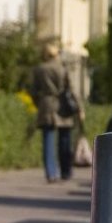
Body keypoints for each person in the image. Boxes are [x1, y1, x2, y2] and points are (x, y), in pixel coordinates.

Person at [31, 39, 82, 182]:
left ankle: (51, 172)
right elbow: (72, 90)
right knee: (65, 140)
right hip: (62, 105)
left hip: (46, 104)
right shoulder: (63, 69)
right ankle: (66, 171)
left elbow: (34, 91)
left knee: (48, 140)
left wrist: (38, 103)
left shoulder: (40, 69)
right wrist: (79, 108)